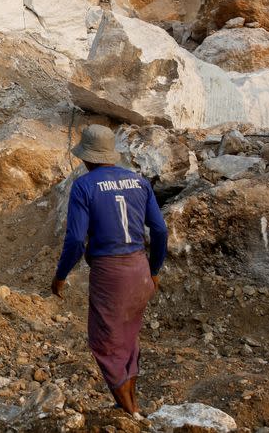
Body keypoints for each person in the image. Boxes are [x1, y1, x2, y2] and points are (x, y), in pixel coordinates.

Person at [51, 125, 168, 417]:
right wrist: (154, 270)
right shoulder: (139, 182)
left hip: (110, 274)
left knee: (104, 342)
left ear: (87, 157)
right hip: (139, 269)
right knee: (128, 338)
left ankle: (130, 413)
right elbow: (160, 229)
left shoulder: (85, 186)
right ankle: (130, 404)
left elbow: (77, 239)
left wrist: (60, 275)